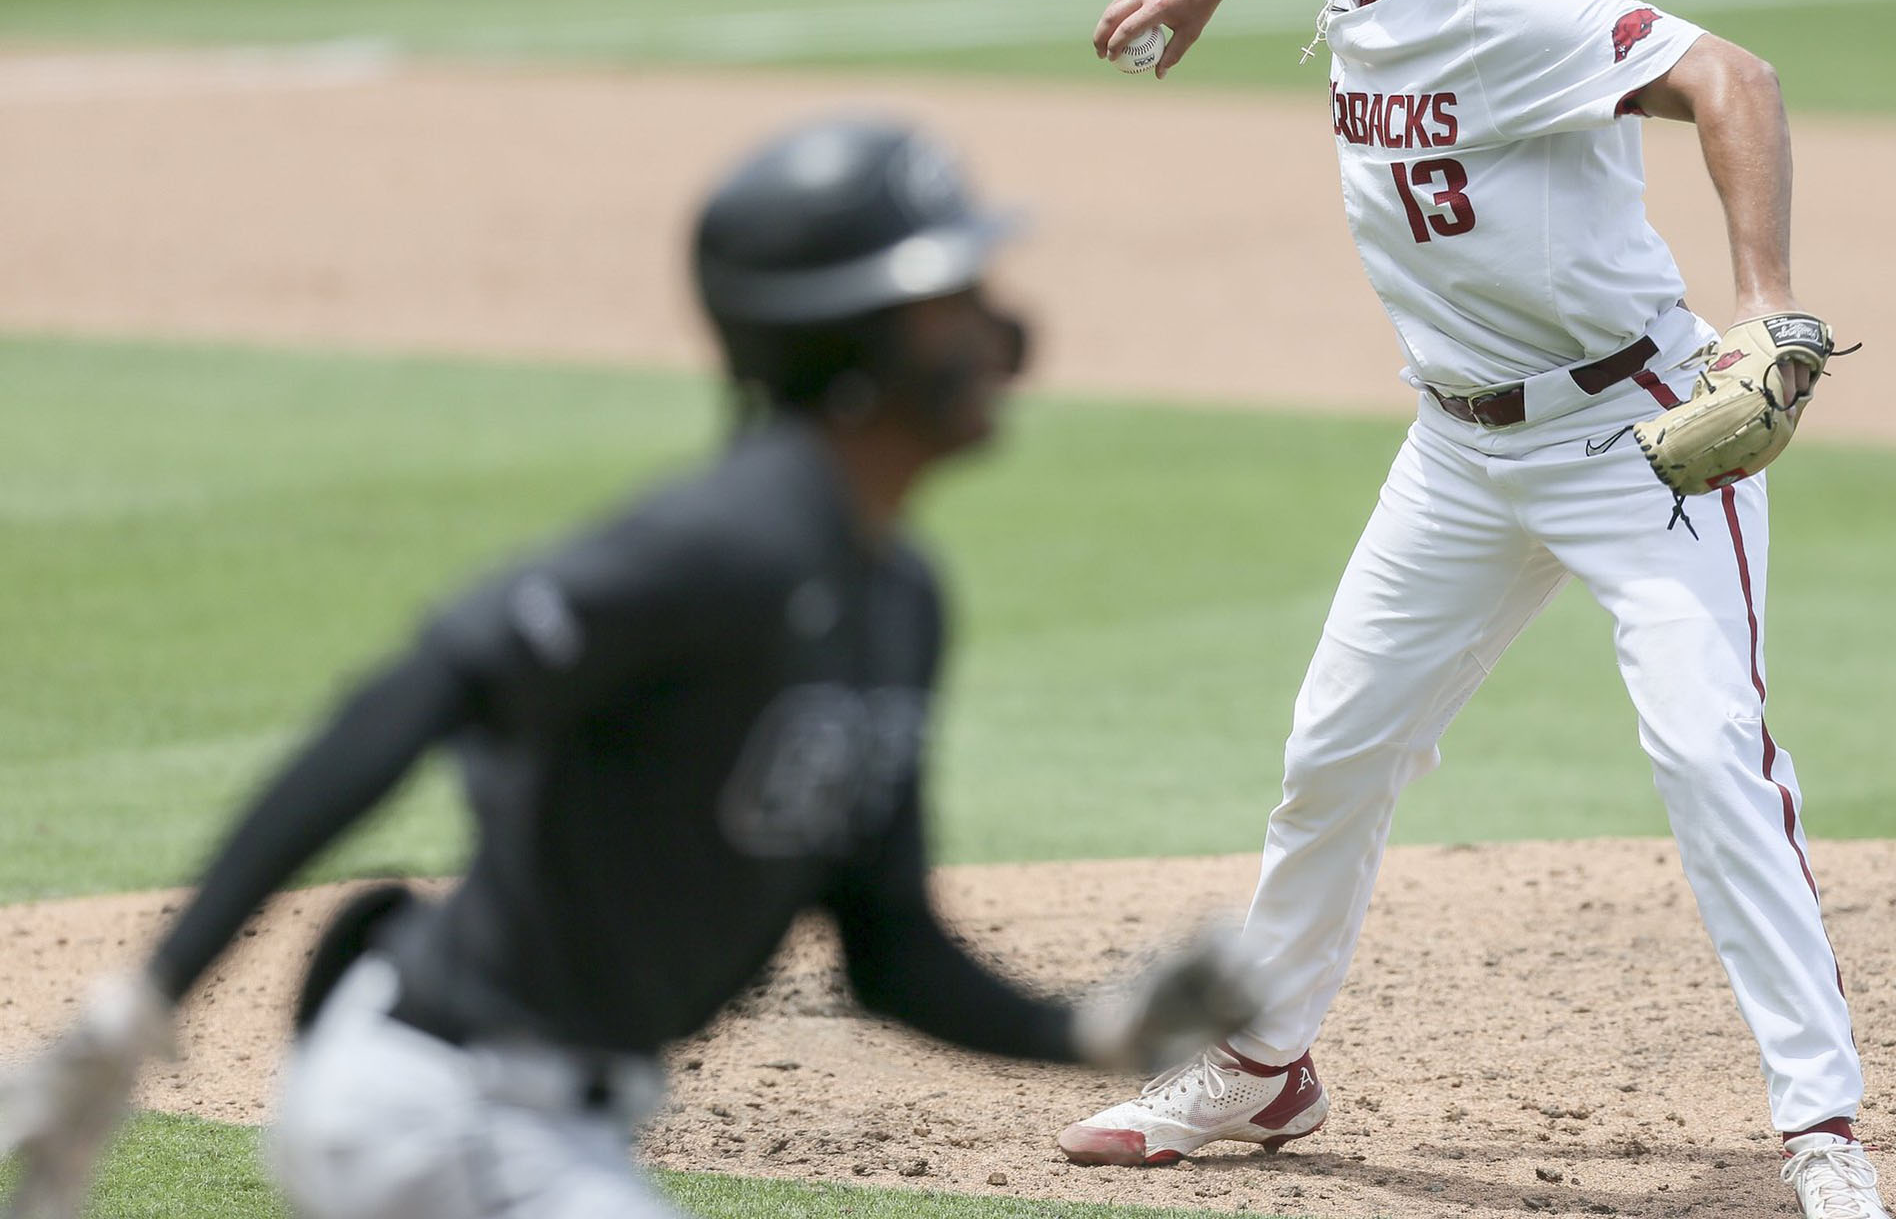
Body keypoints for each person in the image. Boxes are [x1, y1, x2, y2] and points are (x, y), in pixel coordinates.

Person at [0, 118, 1257, 1219]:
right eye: (952, 294)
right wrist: (140, 1007)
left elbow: (888, 948)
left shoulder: (897, 602)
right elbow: (415, 690)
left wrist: (1090, 1028)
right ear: (849, 339)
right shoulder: (720, 544)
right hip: (434, 1101)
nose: (997, 326)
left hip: (551, 1127)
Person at [1058, 0, 1891, 1219]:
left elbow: (1735, 79)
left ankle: (1817, 1131)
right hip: (1453, 447)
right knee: (1333, 750)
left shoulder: (1518, 4)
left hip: (1632, 441)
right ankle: (1260, 1065)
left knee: (1707, 754)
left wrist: (1759, 302)